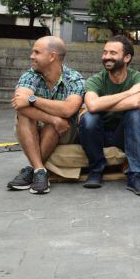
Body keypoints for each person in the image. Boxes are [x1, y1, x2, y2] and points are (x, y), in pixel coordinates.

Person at [7, 37, 85, 194]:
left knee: (59, 119)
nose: (31, 56)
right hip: (34, 127)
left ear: (52, 56)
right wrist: (52, 118)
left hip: (65, 131)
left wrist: (32, 99)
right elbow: (19, 105)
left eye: (36, 52)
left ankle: (31, 168)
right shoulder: (30, 75)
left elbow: (69, 109)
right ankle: (39, 171)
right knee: (25, 115)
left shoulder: (74, 78)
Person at [79, 35, 140, 196]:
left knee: (134, 113)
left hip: (124, 134)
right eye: (105, 52)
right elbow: (91, 105)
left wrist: (102, 104)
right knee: (89, 118)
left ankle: (136, 175)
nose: (106, 57)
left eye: (113, 53)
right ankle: (96, 170)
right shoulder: (96, 80)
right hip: (99, 134)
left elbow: (135, 103)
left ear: (127, 57)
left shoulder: (138, 78)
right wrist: (128, 92)